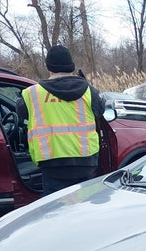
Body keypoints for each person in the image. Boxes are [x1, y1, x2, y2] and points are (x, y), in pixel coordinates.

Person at [17, 45, 106, 195]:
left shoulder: (31, 94)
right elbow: (101, 111)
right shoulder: (89, 91)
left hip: (52, 164)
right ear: (71, 66)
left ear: (49, 68)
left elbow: (21, 113)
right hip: (85, 163)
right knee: (85, 205)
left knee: (57, 207)